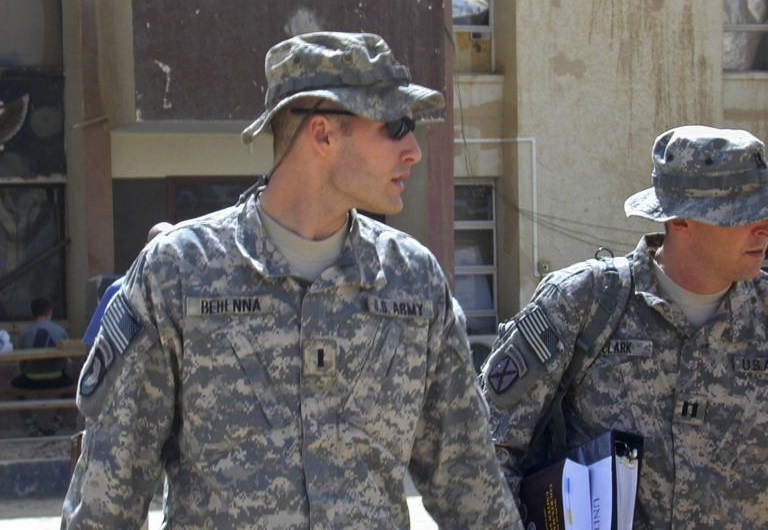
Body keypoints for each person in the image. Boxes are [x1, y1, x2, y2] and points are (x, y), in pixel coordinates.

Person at [63, 31, 522, 529]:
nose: (413, 150)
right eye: (395, 127)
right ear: (322, 134)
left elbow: (474, 491)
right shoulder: (179, 273)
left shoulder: (413, 281)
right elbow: (105, 500)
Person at [482, 124, 768, 528]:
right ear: (681, 219)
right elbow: (487, 448)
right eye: (745, 214)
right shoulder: (585, 302)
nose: (763, 227)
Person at [82, 221, 173, 347]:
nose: (163, 253)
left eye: (168, 247)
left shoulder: (186, 289)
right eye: (157, 246)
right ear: (146, 247)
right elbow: (96, 341)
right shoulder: (122, 289)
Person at [12, 296, 74, 436]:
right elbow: (66, 360)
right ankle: (57, 420)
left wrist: (27, 370)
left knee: (14, 388)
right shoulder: (61, 331)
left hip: (30, 378)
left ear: (33, 313)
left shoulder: (24, 332)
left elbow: (20, 360)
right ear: (50, 312)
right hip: (57, 377)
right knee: (75, 386)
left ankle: (30, 422)